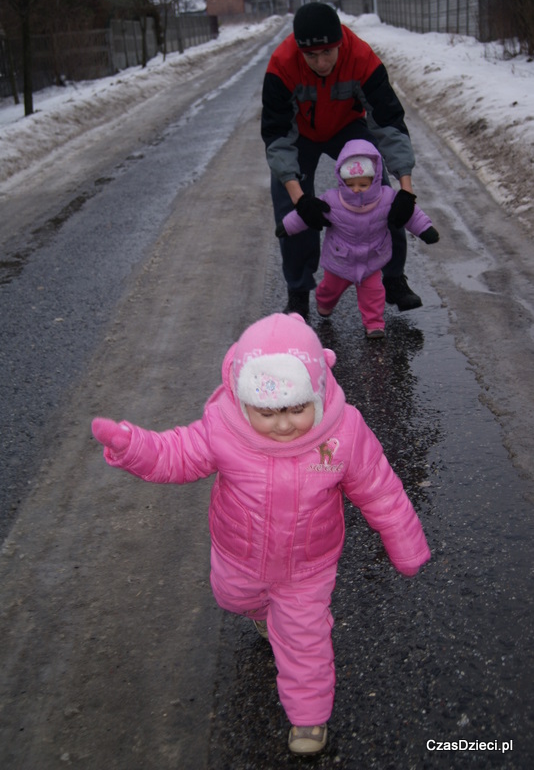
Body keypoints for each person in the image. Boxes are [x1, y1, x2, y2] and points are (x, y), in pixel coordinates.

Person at [91, 312, 431, 756]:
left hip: (308, 566)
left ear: (319, 393)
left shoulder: (343, 433)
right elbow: (175, 454)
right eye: (267, 412)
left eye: (296, 408)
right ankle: (258, 612)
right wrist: (132, 446)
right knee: (234, 598)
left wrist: (406, 543)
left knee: (304, 635)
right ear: (242, 398)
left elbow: (381, 489)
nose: (284, 424)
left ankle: (309, 719)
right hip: (239, 555)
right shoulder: (223, 428)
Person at [261, 2, 425, 319]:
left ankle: (393, 278)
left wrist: (406, 189)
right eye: (311, 56)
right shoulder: (281, 66)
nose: (321, 63)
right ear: (299, 49)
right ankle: (298, 293)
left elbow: (389, 124)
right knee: (290, 205)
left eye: (328, 53)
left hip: (346, 128)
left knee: (382, 193)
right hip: (301, 136)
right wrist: (300, 199)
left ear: (341, 43)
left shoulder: (362, 58)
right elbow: (278, 137)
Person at [277, 139, 439, 338]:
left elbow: (411, 213)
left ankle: (374, 324)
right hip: (340, 260)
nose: (356, 189)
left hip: (371, 259)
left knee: (374, 294)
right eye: (350, 184)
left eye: (363, 184)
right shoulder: (332, 200)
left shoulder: (387, 197)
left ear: (375, 179)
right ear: (341, 180)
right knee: (330, 290)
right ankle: (324, 303)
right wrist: (287, 226)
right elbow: (305, 214)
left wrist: (425, 230)